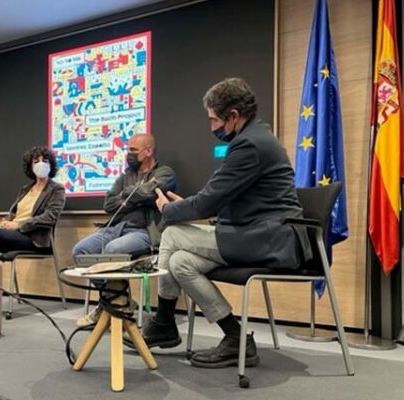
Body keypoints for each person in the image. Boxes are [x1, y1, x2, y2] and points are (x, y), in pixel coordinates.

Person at [128, 78, 312, 369]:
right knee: (180, 263)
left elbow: (208, 202)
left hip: (268, 240)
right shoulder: (256, 136)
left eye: (214, 119)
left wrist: (169, 208)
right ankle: (236, 337)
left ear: (234, 115)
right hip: (256, 234)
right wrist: (189, 206)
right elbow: (220, 199)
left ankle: (163, 321)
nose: (212, 126)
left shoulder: (249, 144)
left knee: (172, 234)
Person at [72, 133, 176, 325]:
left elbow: (149, 192)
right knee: (80, 250)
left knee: (113, 250)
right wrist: (136, 197)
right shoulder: (125, 176)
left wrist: (128, 195)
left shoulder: (165, 173)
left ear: (148, 151)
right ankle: (118, 300)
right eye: (128, 150)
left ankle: (109, 304)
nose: (129, 154)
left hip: (144, 232)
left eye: (133, 150)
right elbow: (108, 204)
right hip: (116, 228)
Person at [0, 146, 65, 255]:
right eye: (36, 162)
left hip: (33, 239)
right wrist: (6, 222)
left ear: (51, 165)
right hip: (15, 234)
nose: (41, 164)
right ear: (31, 167)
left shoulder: (56, 189)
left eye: (45, 161)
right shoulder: (26, 189)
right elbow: (15, 213)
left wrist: (19, 225)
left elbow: (50, 217)